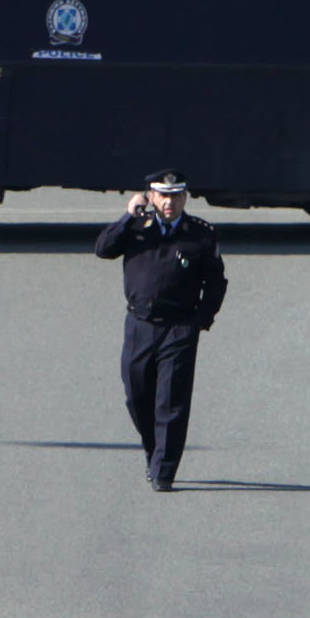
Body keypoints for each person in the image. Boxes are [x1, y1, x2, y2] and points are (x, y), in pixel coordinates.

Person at [94, 174, 225, 491]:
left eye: (176, 196)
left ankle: (164, 471)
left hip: (179, 328)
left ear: (185, 198)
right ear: (150, 196)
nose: (169, 203)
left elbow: (216, 283)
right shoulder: (136, 229)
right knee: (137, 396)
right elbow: (103, 249)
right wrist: (128, 216)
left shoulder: (200, 234)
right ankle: (155, 450)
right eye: (162, 196)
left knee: (172, 400)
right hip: (140, 325)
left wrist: (200, 321)